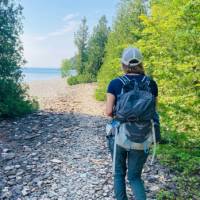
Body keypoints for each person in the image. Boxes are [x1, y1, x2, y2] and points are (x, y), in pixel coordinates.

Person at [105, 47, 159, 200]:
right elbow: (154, 111)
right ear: (141, 63)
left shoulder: (115, 83)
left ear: (123, 63)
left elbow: (109, 111)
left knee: (118, 174)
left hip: (120, 136)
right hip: (143, 136)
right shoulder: (151, 84)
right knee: (135, 177)